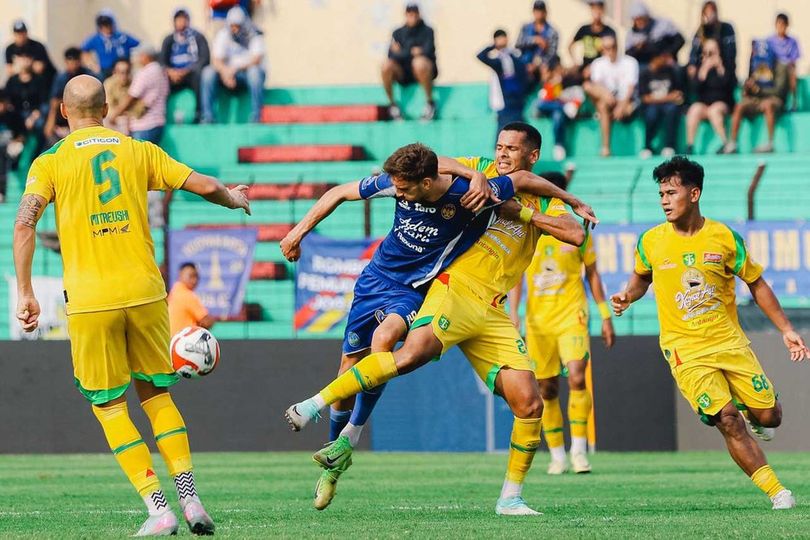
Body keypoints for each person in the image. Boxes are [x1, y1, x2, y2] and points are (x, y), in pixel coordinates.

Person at [280, 129, 597, 512]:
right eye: (498, 147)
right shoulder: (478, 172)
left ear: (532, 155)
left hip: (492, 308)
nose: (502, 155)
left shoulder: (537, 197)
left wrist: (533, 210)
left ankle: (510, 498)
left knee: (529, 403)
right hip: (455, 287)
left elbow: (574, 233)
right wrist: (477, 176)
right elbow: (436, 161)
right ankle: (322, 415)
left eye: (512, 149)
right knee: (402, 353)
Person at [12, 74, 250, 535]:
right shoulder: (137, 150)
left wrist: (25, 292)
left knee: (110, 406)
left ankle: (158, 508)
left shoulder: (50, 161)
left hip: (90, 301)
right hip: (145, 293)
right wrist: (233, 198)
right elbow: (200, 184)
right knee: (156, 394)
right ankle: (191, 499)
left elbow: (24, 225)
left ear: (63, 112)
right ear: (106, 107)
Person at [611, 155, 808, 510]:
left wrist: (787, 329)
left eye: (671, 192)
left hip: (730, 343)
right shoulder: (652, 241)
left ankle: (757, 412)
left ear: (695, 193)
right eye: (660, 194)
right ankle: (778, 493)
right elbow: (641, 278)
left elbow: (756, 283)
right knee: (728, 420)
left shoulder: (724, 238)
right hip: (684, 349)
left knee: (770, 417)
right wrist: (627, 295)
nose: (664, 200)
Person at [509, 172, 614, 475]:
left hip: (572, 316)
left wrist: (605, 315)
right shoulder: (529, 229)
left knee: (578, 377)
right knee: (547, 388)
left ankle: (579, 451)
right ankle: (557, 455)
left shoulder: (577, 231)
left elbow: (592, 274)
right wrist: (513, 313)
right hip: (538, 322)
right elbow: (516, 275)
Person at [201, 7, 266, 124]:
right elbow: (216, 60)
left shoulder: (254, 34)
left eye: (237, 26)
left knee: (255, 73)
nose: (235, 29)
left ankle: (256, 117)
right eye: (232, 26)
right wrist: (225, 72)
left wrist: (234, 69)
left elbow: (257, 59)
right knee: (208, 72)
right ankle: (208, 116)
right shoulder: (223, 34)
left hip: (245, 75)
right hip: (227, 74)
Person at [722, 40, 789, 155]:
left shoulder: (781, 66)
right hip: (757, 100)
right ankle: (732, 142)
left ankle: (770, 143)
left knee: (768, 104)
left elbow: (779, 91)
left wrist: (759, 90)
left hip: (774, 99)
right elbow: (749, 88)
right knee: (740, 105)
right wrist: (747, 88)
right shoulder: (755, 63)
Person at [382, 3, 437, 121]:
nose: (413, 18)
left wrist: (402, 51)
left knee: (419, 62)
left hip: (421, 73)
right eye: (410, 15)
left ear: (419, 15)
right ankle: (392, 105)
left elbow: (428, 51)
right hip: (403, 72)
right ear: (406, 15)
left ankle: (430, 103)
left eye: (415, 15)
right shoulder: (398, 33)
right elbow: (391, 55)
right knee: (386, 66)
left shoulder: (427, 31)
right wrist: (412, 51)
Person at [585, 36, 639, 157]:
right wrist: (607, 96)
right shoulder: (598, 63)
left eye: (613, 47)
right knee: (589, 88)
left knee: (602, 106)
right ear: (603, 49)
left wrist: (621, 106)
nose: (611, 50)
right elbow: (597, 85)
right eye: (607, 48)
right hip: (607, 100)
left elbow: (631, 88)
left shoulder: (630, 62)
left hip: (625, 101)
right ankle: (605, 148)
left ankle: (605, 147)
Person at [108, 46, 169, 145]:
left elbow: (131, 97)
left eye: (139, 56)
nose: (137, 59)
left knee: (140, 159)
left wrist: (114, 116)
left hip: (144, 125)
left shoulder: (145, 73)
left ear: (145, 56)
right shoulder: (161, 71)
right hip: (158, 123)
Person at [685, 39, 735, 154]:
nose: (709, 56)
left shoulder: (726, 66)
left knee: (714, 110)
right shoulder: (701, 68)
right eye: (707, 52)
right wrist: (703, 70)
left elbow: (729, 86)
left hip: (721, 104)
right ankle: (690, 145)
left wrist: (720, 68)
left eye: (712, 52)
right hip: (704, 104)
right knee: (694, 109)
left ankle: (725, 143)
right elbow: (694, 89)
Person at [160, 8, 210, 122]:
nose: (181, 22)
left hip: (190, 74)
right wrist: (171, 72)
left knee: (201, 76)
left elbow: (204, 59)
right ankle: (161, 114)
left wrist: (185, 71)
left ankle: (199, 114)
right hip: (172, 76)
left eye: (184, 19)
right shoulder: (168, 39)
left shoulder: (198, 37)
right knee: (159, 77)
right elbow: (162, 61)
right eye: (178, 20)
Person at [476, 30, 529, 137]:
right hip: (505, 98)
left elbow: (523, 69)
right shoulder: (497, 61)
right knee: (503, 128)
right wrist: (494, 46)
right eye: (499, 38)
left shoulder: (514, 55)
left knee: (520, 129)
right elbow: (480, 56)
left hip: (518, 96)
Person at [44, 47, 98, 146]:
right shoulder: (61, 78)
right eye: (70, 61)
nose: (72, 64)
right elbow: (54, 101)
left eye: (75, 61)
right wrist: (50, 122)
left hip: (85, 111)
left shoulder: (88, 75)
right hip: (65, 113)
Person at [639, 50, 684, 158]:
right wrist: (667, 98)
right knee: (651, 113)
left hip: (667, 104)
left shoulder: (671, 71)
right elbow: (645, 98)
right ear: (655, 58)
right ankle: (647, 146)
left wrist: (659, 98)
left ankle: (669, 146)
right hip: (651, 105)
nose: (666, 60)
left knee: (672, 110)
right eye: (663, 56)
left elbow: (678, 94)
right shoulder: (645, 73)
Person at [5, 52, 49, 153]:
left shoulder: (39, 80)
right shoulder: (12, 81)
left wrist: (33, 117)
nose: (24, 62)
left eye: (27, 58)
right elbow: (9, 103)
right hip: (18, 115)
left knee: (39, 126)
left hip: (36, 115)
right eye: (21, 58)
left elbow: (44, 102)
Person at [81, 10, 140, 79]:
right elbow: (83, 51)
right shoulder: (96, 39)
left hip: (123, 71)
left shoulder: (122, 36)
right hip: (105, 71)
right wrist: (93, 65)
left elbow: (140, 46)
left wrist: (134, 61)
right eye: (102, 25)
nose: (106, 27)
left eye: (108, 24)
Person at [687, 1, 736, 81]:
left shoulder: (726, 29)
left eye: (711, 12)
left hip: (722, 69)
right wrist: (693, 64)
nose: (709, 15)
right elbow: (694, 52)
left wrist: (716, 63)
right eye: (706, 12)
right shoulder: (700, 31)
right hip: (703, 72)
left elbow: (730, 57)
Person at [624, 1, 685, 67]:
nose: (640, 22)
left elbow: (680, 40)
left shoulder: (662, 25)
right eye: (636, 20)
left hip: (664, 62)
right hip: (644, 68)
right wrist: (636, 48)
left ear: (647, 16)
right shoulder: (631, 35)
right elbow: (628, 56)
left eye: (641, 18)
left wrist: (668, 53)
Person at [516, 0, 559, 84]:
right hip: (526, 62)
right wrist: (535, 40)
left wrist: (537, 64)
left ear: (545, 12)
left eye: (541, 11)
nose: (539, 13)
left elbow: (552, 53)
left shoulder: (552, 32)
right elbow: (518, 44)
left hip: (542, 64)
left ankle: (543, 94)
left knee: (547, 72)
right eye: (537, 11)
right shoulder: (525, 28)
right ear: (533, 12)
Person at [168, 262, 216, 335]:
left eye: (197, 277)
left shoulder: (174, 292)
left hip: (172, 341)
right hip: (185, 342)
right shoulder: (187, 294)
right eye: (191, 276)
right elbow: (206, 322)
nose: (195, 280)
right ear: (180, 275)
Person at [5, 19, 56, 87]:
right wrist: (27, 64)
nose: (20, 36)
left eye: (22, 33)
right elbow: (9, 71)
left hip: (46, 81)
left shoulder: (37, 46)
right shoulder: (10, 49)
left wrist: (19, 66)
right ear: (14, 34)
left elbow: (39, 68)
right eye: (18, 34)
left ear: (26, 33)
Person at [569, 0, 616, 70]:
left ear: (603, 10)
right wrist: (575, 62)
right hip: (585, 67)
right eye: (594, 9)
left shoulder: (609, 31)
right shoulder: (584, 29)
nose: (597, 12)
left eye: (599, 9)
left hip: (602, 69)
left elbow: (612, 53)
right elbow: (570, 46)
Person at [767, 13, 801, 110]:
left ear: (787, 25)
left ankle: (793, 102)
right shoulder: (769, 40)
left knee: (792, 71)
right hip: (773, 68)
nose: (780, 27)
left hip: (787, 69)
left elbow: (794, 59)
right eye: (779, 24)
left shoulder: (793, 41)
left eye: (783, 24)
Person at [103, 59, 143, 134]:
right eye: (121, 72)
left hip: (130, 121)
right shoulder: (108, 84)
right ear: (114, 72)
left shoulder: (134, 83)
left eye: (127, 72)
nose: (124, 76)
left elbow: (139, 109)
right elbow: (108, 109)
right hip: (113, 121)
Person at [0, 89, 26, 202]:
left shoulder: (14, 116)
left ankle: (2, 191)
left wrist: (14, 142)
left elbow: (23, 135)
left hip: (12, 147)